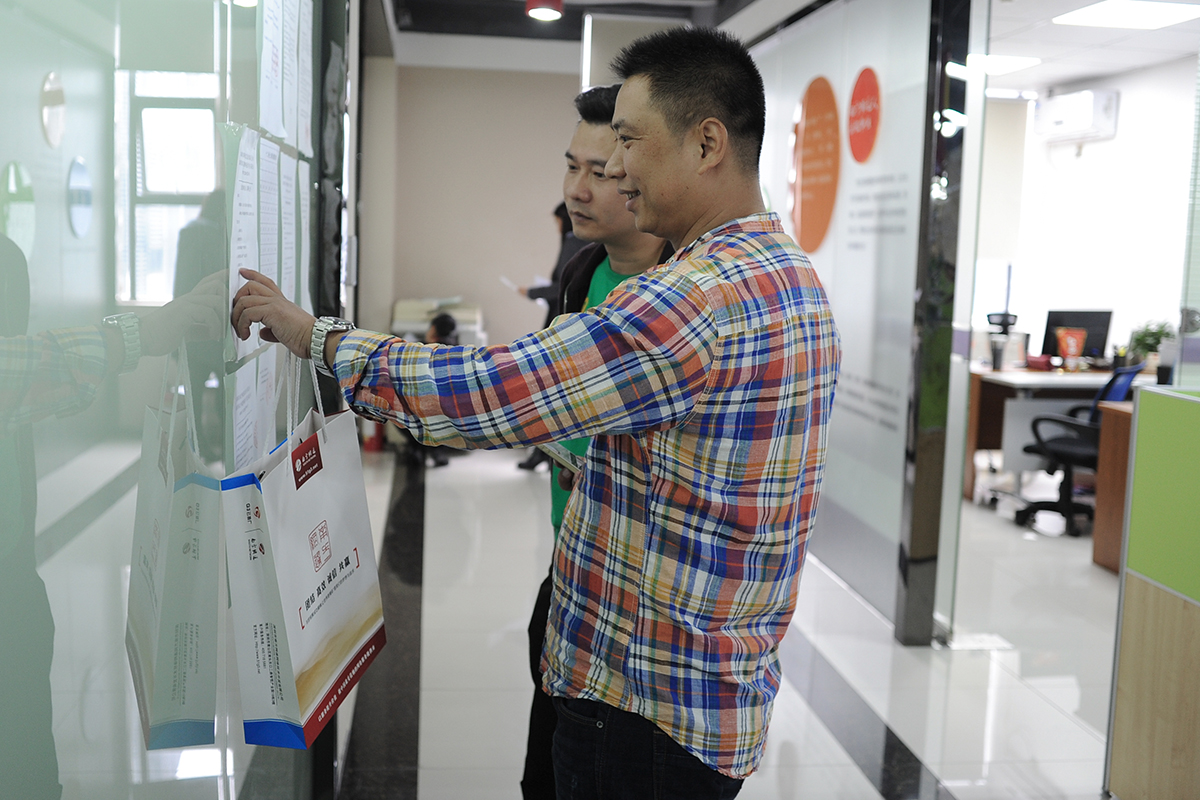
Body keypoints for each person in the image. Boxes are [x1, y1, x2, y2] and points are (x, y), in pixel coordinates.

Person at [231, 26, 840, 797]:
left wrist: (315, 337)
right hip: (711, 694)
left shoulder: (692, 301)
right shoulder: (790, 277)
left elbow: (486, 393)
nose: (616, 169)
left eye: (629, 142)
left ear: (707, 143)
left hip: (641, 710)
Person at [519, 83, 672, 800]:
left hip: (634, 607)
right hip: (570, 569)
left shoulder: (675, 295)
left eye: (600, 172)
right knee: (543, 776)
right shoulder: (582, 270)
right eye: (570, 166)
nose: (576, 190)